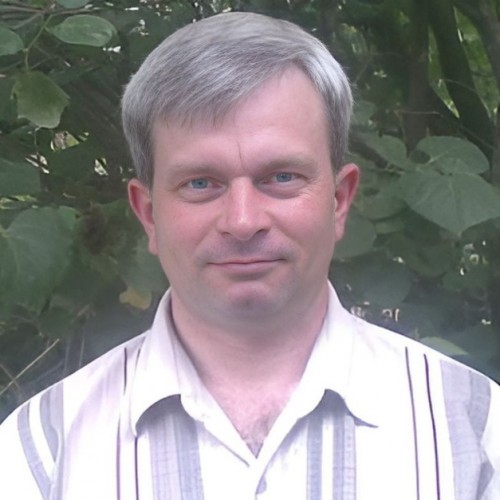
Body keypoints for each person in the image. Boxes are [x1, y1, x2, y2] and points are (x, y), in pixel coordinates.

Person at [0, 11, 499, 500]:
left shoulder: (476, 434)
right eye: (200, 183)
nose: (242, 221)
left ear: (340, 201)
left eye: (281, 177)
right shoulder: (38, 455)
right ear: (149, 215)